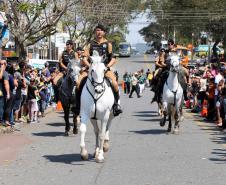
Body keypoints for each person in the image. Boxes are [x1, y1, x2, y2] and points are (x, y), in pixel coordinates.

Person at [75, 24, 122, 116]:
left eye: (101, 30)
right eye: (97, 30)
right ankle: (78, 106)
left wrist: (107, 67)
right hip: (91, 70)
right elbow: (84, 58)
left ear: (104, 32)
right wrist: (90, 66)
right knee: (78, 83)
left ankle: (116, 105)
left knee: (115, 84)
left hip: (105, 69)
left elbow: (113, 58)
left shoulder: (108, 44)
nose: (99, 32)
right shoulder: (90, 44)